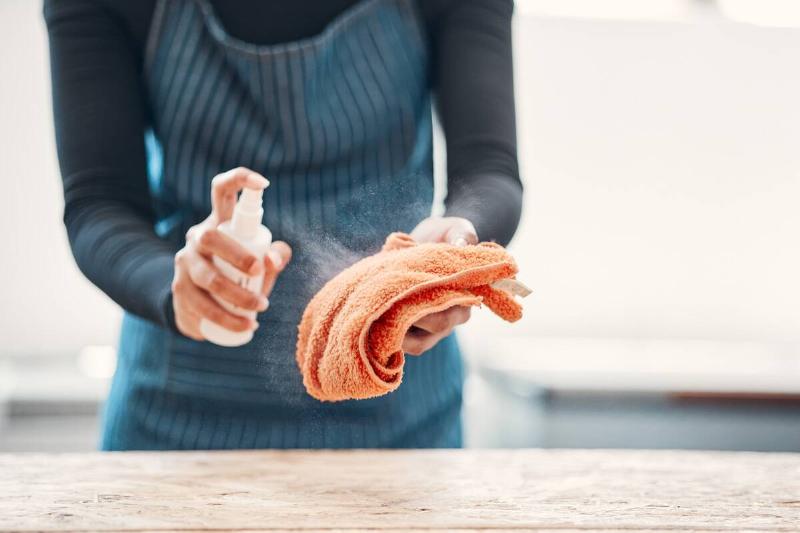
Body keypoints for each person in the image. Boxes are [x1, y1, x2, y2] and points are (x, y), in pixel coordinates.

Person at [44, 0, 522, 449]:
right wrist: (173, 286)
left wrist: (450, 251)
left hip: (399, 418)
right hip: (173, 424)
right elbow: (99, 202)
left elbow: (488, 169)